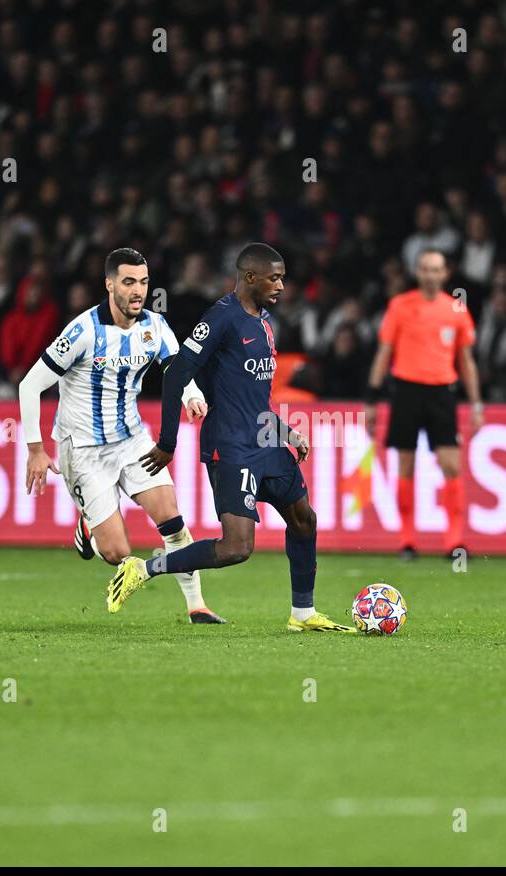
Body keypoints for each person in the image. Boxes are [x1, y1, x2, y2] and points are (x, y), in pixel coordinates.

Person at [107, 243, 352, 633]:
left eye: (283, 277)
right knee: (237, 548)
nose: (282, 285)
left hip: (266, 441)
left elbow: (254, 397)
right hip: (231, 446)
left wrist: (286, 432)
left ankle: (303, 614)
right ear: (249, 277)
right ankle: (145, 568)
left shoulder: (265, 323)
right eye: (274, 277)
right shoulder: (220, 319)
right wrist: (167, 442)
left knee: (304, 520)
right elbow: (174, 375)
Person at [19, 247, 225, 624]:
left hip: (131, 440)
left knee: (172, 519)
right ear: (109, 284)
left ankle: (197, 606)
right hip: (81, 450)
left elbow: (176, 371)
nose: (138, 291)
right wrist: (35, 448)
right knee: (117, 552)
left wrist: (192, 394)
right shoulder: (82, 332)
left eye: (144, 282)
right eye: (129, 282)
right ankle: (89, 528)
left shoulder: (154, 327)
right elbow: (29, 386)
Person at [363, 249, 483, 559]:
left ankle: (454, 542)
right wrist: (372, 400)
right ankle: (407, 541)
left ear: (445, 274)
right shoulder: (400, 306)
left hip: (442, 392)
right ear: (418, 272)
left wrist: (476, 402)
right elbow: (384, 353)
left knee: (451, 465)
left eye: (436, 269)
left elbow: (466, 360)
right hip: (406, 391)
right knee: (406, 466)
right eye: (425, 269)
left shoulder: (456, 309)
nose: (431, 274)